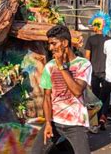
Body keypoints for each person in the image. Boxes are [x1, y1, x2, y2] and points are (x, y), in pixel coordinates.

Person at [31, 25, 92, 154]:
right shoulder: (49, 66)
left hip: (76, 124)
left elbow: (77, 91)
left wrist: (61, 66)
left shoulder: (83, 64)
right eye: (49, 44)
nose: (50, 48)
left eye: (53, 43)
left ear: (65, 43)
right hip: (54, 123)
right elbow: (47, 97)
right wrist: (47, 123)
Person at [84, 12, 111, 131]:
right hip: (107, 72)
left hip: (94, 72)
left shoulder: (90, 39)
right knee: (105, 95)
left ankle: (95, 121)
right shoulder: (109, 40)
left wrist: (86, 73)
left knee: (95, 96)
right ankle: (103, 117)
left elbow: (87, 58)